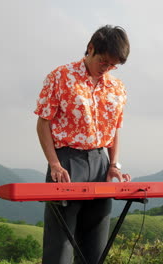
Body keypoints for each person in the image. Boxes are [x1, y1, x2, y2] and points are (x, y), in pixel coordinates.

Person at [34, 25, 131, 264]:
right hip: (67, 162)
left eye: (112, 65)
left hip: (101, 163)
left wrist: (114, 165)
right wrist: (54, 164)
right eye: (103, 62)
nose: (106, 68)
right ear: (90, 49)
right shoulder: (60, 76)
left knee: (96, 244)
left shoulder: (117, 88)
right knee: (60, 246)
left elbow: (114, 130)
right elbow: (43, 123)